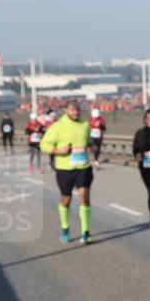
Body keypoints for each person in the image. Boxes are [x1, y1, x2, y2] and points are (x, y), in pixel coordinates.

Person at [40, 101, 96, 244]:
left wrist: (90, 146)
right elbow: (44, 145)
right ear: (66, 111)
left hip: (83, 167)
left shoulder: (85, 124)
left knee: (84, 196)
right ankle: (65, 227)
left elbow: (88, 140)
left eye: (77, 110)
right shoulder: (58, 126)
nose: (75, 112)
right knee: (66, 200)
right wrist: (58, 151)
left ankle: (86, 232)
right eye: (72, 110)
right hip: (65, 169)